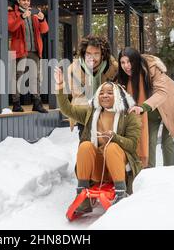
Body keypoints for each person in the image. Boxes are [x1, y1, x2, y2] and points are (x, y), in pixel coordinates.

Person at [55, 67, 142, 215]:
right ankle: (82, 196)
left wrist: (115, 137)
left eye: (109, 93)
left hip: (119, 168)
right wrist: (60, 86)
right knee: (85, 146)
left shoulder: (129, 115)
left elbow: (132, 145)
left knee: (112, 147)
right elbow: (67, 109)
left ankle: (121, 194)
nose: (105, 96)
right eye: (101, 93)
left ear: (118, 96)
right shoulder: (91, 112)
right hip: (98, 169)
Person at [117, 47, 174, 168]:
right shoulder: (124, 76)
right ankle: (149, 173)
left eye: (129, 61)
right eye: (123, 62)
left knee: (167, 141)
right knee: (149, 140)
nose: (126, 66)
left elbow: (162, 93)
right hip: (150, 109)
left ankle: (169, 171)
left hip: (170, 104)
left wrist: (143, 107)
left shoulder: (152, 69)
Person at [66, 35, 118, 139]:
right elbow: (73, 95)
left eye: (96, 54)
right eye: (88, 54)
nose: (92, 58)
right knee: (86, 147)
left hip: (108, 114)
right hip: (84, 113)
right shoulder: (74, 69)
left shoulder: (113, 67)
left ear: (103, 54)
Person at [8, 0, 49, 113]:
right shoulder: (12, 13)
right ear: (19, 1)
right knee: (17, 77)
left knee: (35, 77)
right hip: (20, 50)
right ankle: (16, 104)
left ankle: (37, 103)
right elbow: (11, 28)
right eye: (24, 0)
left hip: (34, 50)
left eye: (28, 0)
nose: (26, 2)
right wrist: (21, 17)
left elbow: (44, 30)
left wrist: (42, 20)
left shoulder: (34, 13)